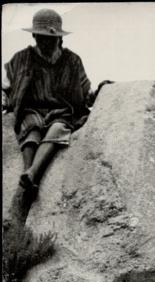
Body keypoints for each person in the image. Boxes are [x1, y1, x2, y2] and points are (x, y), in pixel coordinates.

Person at [2, 9, 93, 197]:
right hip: (31, 109)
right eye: (41, 38)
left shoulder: (72, 61)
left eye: (50, 39)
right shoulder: (21, 59)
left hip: (62, 110)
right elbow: (8, 88)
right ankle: (27, 174)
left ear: (59, 39)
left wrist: (99, 91)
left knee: (57, 128)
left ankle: (33, 172)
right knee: (31, 127)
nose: (45, 42)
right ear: (34, 36)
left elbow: (84, 92)